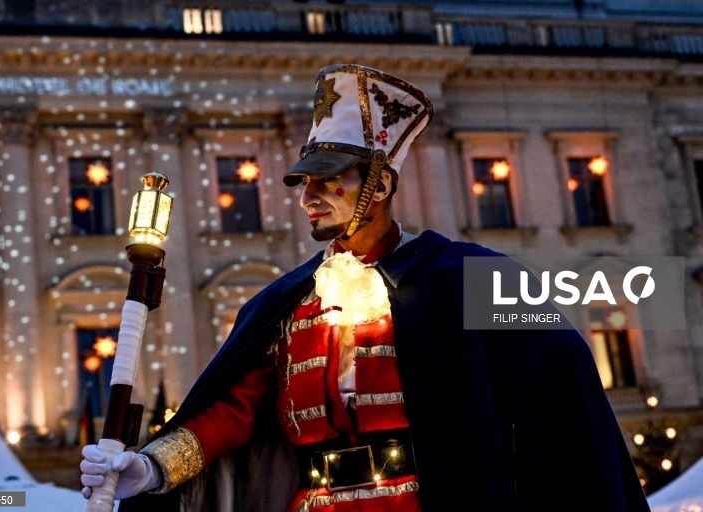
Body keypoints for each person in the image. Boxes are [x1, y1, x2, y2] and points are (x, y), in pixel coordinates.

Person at [81, 64, 649, 511]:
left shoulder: (475, 277)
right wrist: (153, 467)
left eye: (331, 180)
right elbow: (238, 408)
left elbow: (565, 399)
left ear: (380, 184)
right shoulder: (284, 302)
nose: (309, 197)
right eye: (305, 183)